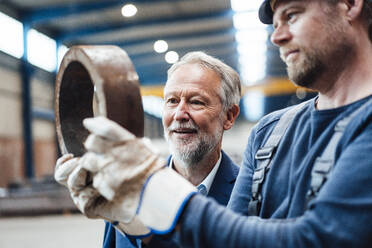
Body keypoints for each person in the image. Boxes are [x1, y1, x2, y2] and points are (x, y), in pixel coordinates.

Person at [56, 0, 372, 247]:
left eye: (292, 15)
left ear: (350, 4)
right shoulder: (271, 132)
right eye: (275, 24)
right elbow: (221, 240)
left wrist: (152, 189)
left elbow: (318, 241)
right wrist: (132, 219)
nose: (277, 36)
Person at [55, 51, 241, 248]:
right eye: (172, 101)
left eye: (196, 102)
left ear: (229, 116)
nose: (179, 114)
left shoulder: (250, 195)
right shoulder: (127, 187)